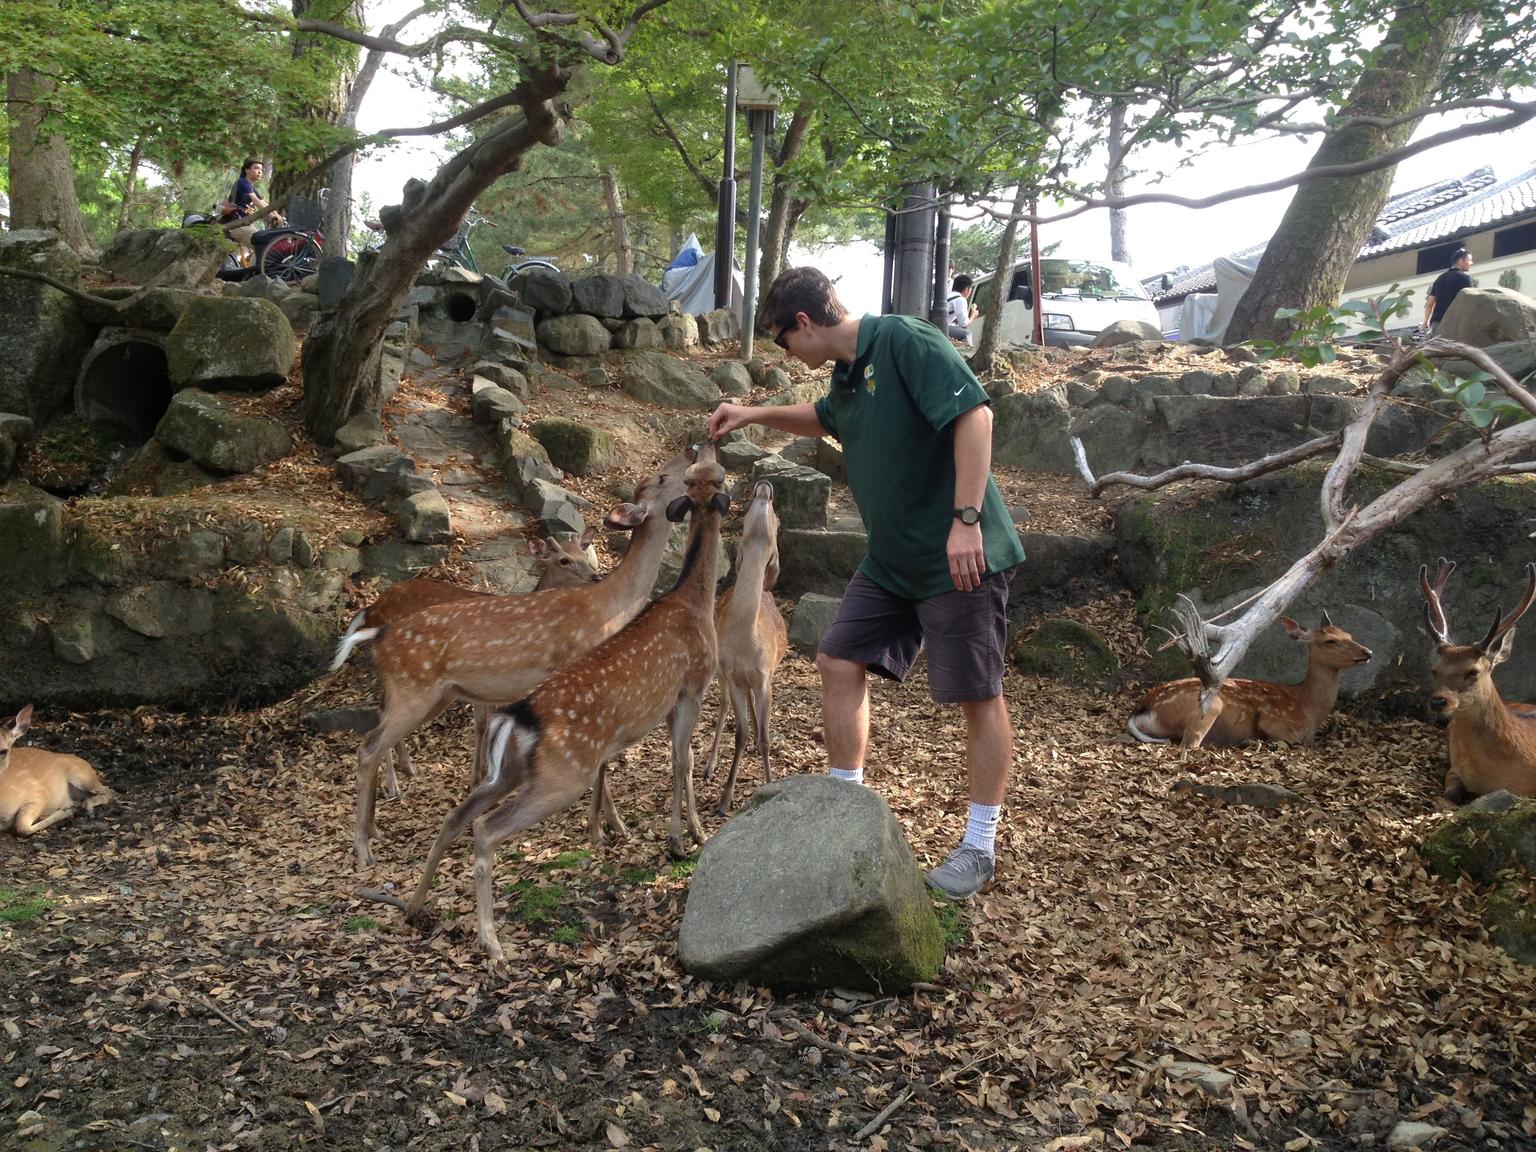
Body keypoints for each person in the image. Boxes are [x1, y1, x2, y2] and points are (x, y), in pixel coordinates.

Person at [708, 266, 1026, 900]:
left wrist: (966, 522)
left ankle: (979, 845)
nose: (786, 353)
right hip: (892, 560)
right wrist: (751, 413)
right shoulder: (847, 374)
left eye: (781, 340)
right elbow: (825, 417)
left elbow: (976, 419)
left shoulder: (907, 342)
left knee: (976, 696)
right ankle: (845, 807)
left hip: (956, 556)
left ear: (803, 324)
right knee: (837, 658)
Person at [222, 158, 281, 265]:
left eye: (262, 170)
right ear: (247, 170)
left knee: (265, 243)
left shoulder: (251, 187)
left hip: (244, 224)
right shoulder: (242, 182)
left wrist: (277, 215)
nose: (260, 172)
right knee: (263, 245)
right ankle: (253, 272)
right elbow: (257, 201)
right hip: (235, 224)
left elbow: (265, 204)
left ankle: (248, 264)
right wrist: (271, 216)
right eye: (256, 168)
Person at [1420, 248, 1474, 334]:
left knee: (1436, 346)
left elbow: (1430, 304)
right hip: (1455, 322)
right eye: (1469, 260)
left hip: (1437, 322)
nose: (1471, 263)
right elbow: (1470, 301)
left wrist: (1425, 322)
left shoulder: (1440, 279)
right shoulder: (1464, 278)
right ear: (1460, 261)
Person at [946, 273, 979, 345]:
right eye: (971, 289)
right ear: (966, 289)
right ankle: (965, 354)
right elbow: (964, 323)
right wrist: (973, 316)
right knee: (967, 333)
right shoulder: (960, 299)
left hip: (931, 323)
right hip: (939, 326)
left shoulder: (947, 295)